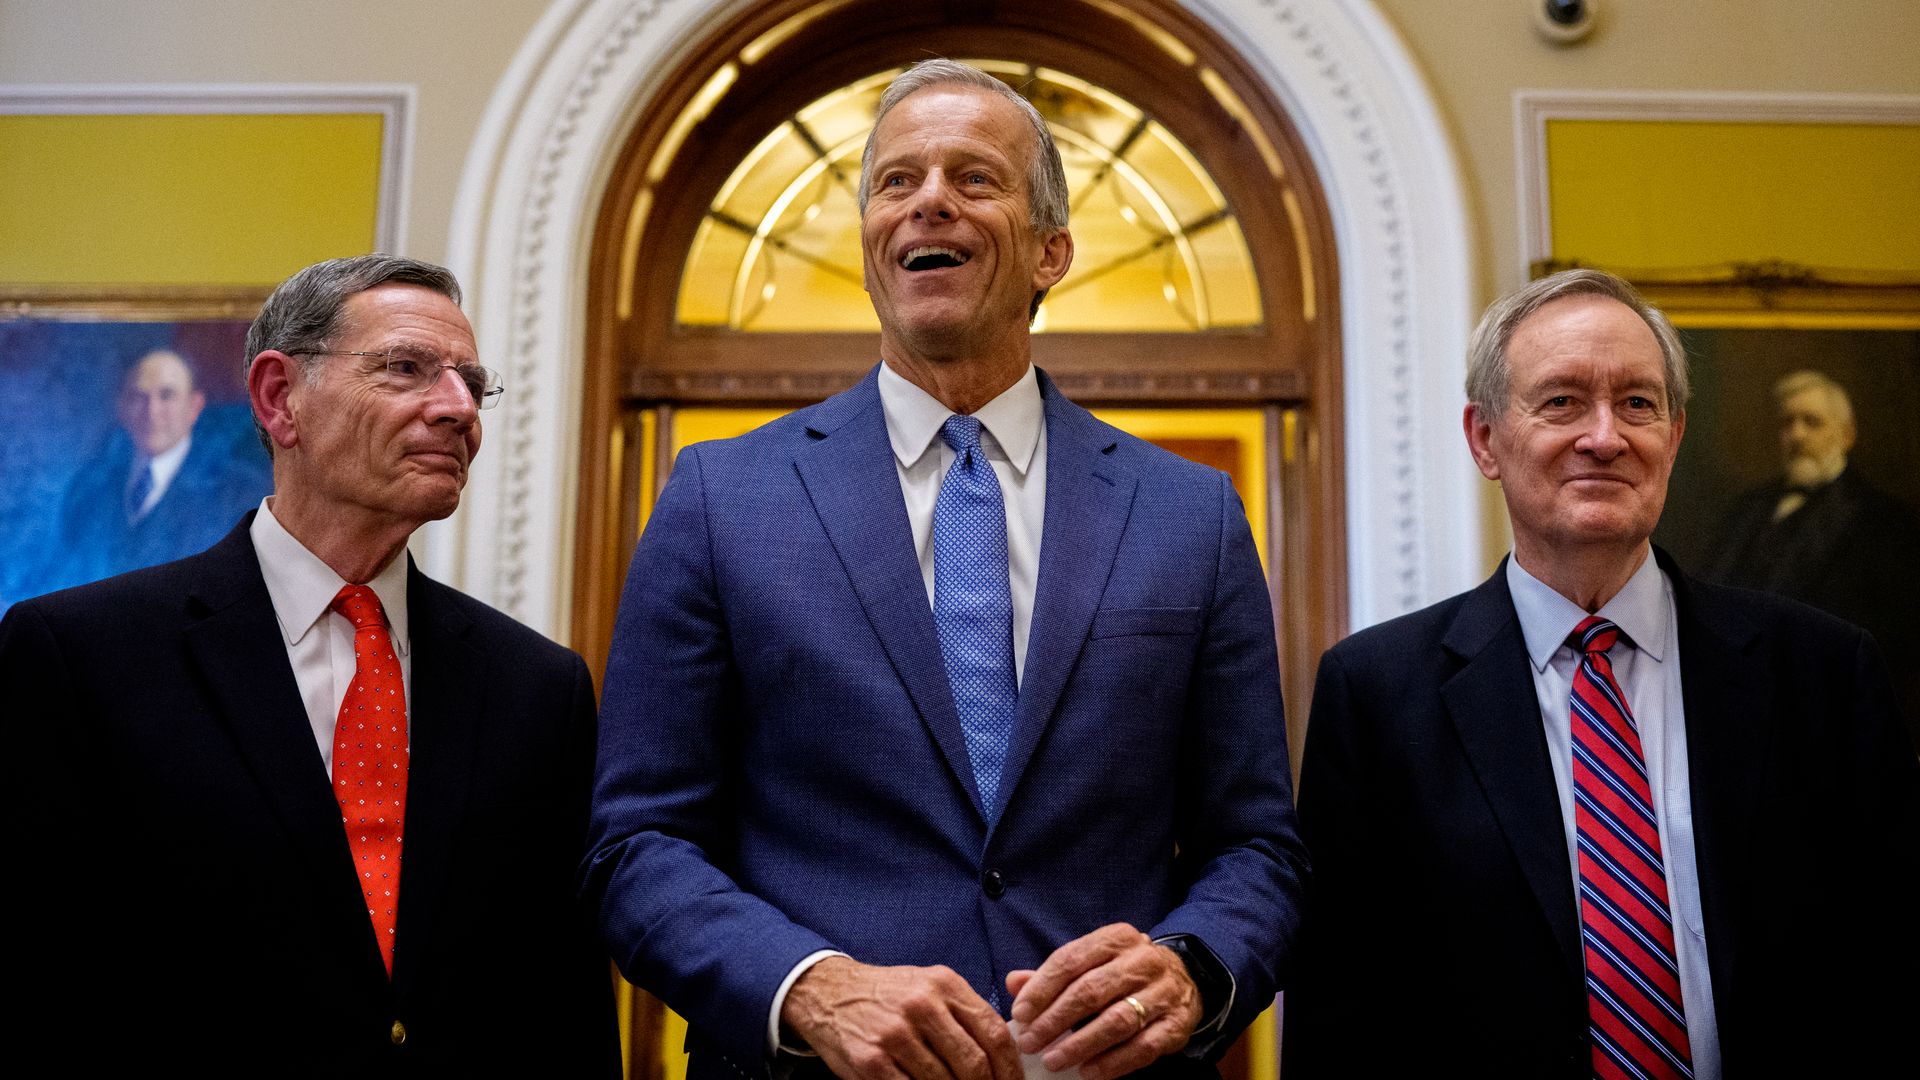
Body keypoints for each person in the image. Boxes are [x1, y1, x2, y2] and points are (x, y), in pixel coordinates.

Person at [585, 59, 1305, 1080]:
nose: (929, 199)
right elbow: (636, 848)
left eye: (975, 179)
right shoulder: (717, 500)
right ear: (875, 248)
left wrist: (1192, 969)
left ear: (1053, 250)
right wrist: (810, 986)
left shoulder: (1192, 515)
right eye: (896, 180)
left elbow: (1258, 851)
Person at [1284, 269, 1920, 1079]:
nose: (1605, 436)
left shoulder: (1824, 674)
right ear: (1484, 440)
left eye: (1637, 404)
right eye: (1561, 402)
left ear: (1674, 437)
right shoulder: (1376, 694)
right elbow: (1343, 1016)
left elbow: (1895, 965)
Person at [0, 254, 619, 1076]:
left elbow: (563, 1000)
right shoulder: (80, 656)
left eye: (473, 383)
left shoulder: (539, 689)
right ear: (278, 397)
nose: (460, 408)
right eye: (406, 368)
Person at [1702, 369, 1920, 745]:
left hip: (1831, 718)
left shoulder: (1883, 521)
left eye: (1812, 422)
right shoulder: (1748, 510)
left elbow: (1893, 639)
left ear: (1846, 435)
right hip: (1737, 709)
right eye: (1788, 423)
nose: (1797, 435)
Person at [33, 347, 270, 594]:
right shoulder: (88, 488)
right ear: (121, 407)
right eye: (138, 396)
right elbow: (62, 580)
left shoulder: (239, 490)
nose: (151, 411)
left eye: (166, 396)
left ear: (194, 406)